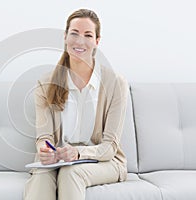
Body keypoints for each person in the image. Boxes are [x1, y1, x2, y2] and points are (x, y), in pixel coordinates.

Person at [23, 8, 129, 200]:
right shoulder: (46, 83)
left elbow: (110, 147)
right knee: (41, 179)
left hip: (104, 162)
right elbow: (44, 136)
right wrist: (45, 150)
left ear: (97, 41)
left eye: (88, 35)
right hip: (58, 160)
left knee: (70, 173)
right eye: (74, 33)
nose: (80, 41)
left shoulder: (115, 83)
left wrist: (77, 153)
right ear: (65, 37)